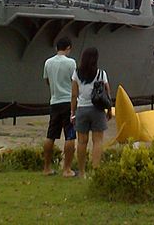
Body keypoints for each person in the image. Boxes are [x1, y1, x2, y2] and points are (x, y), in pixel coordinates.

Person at [71, 46, 113, 177]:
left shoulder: (76, 73)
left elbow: (73, 95)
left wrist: (72, 112)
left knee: (82, 142)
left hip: (82, 109)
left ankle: (82, 172)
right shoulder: (101, 73)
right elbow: (107, 93)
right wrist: (109, 109)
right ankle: (95, 171)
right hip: (98, 109)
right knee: (98, 141)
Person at [42, 37, 76, 176]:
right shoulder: (71, 63)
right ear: (68, 48)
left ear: (56, 48)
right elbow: (75, 82)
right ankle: (67, 169)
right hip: (68, 101)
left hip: (54, 101)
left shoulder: (48, 63)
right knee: (70, 136)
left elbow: (47, 81)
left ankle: (46, 168)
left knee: (51, 135)